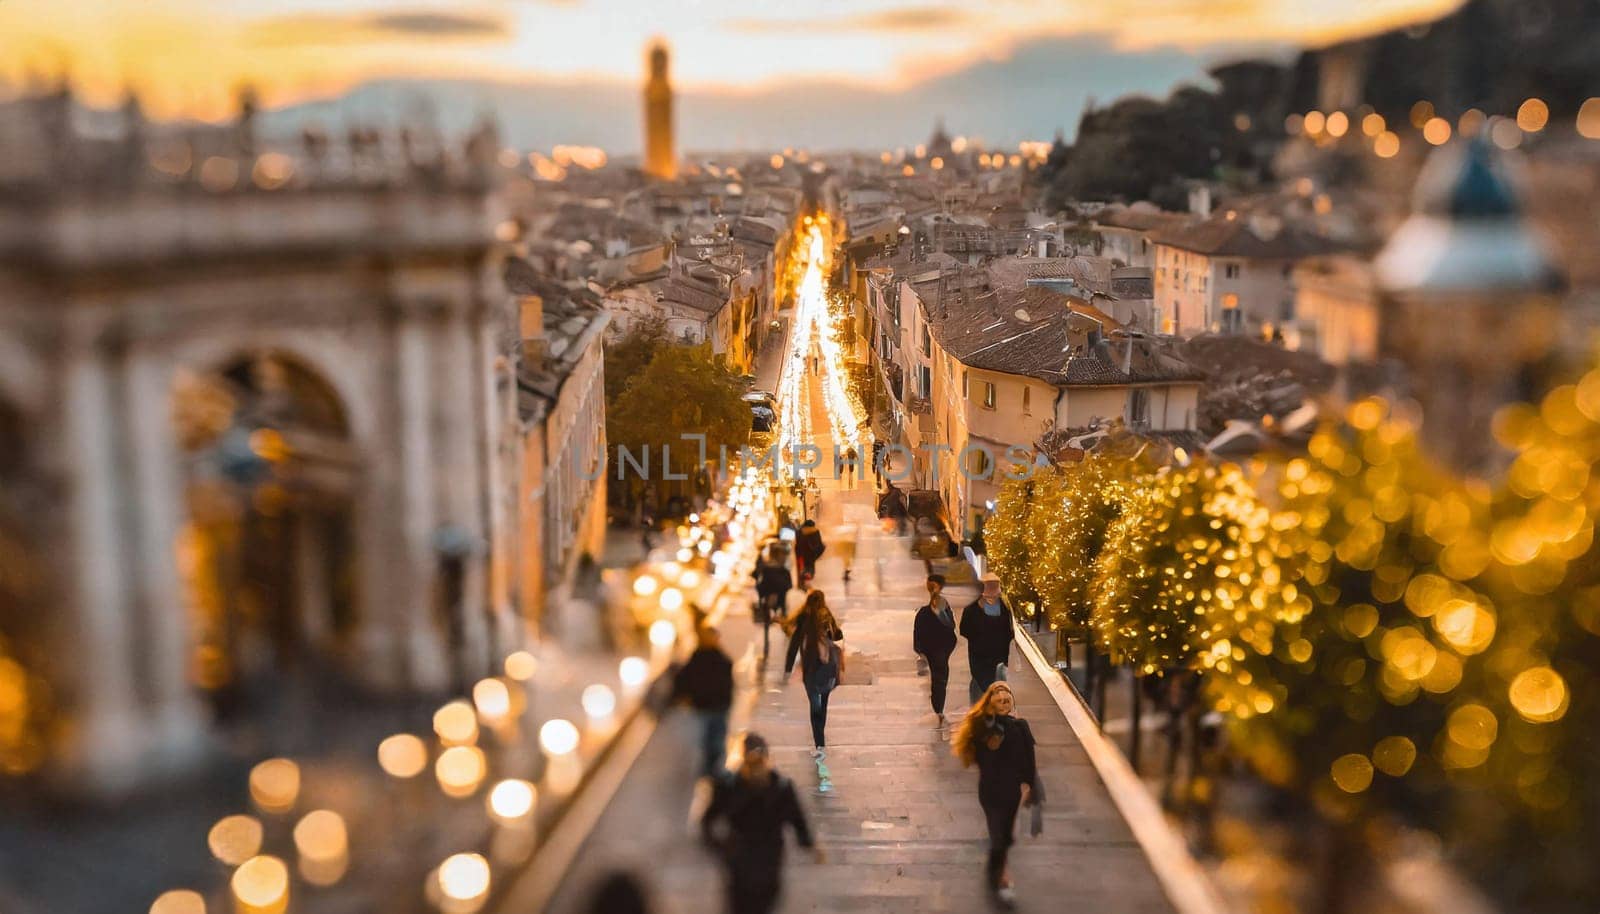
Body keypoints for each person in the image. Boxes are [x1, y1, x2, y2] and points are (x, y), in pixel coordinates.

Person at [702, 732, 822, 914]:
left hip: (743, 862)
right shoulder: (780, 787)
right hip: (762, 862)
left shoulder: (730, 786)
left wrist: (720, 848)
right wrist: (809, 845)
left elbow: (707, 823)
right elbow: (798, 822)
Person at [952, 681, 1039, 907]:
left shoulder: (1021, 727)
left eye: (1007, 699)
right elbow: (982, 756)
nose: (1004, 702)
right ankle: (1000, 878)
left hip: (1011, 791)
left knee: (1005, 835)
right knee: (999, 834)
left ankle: (996, 867)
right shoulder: (983, 727)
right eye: (999, 700)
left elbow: (1030, 761)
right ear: (990, 702)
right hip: (990, 790)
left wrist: (1031, 787)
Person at [783, 591, 844, 758]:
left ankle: (819, 743)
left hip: (810, 668)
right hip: (828, 667)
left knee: (814, 704)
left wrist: (788, 669)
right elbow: (839, 635)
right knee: (824, 702)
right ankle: (820, 736)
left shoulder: (804, 618)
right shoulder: (826, 617)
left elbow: (795, 644)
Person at [672, 626, 736, 779]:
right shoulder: (717, 659)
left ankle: (711, 769)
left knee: (712, 739)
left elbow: (682, 680)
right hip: (711, 706)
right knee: (713, 739)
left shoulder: (709, 659)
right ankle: (712, 769)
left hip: (711, 706)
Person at [912, 573, 958, 728]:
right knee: (940, 679)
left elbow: (950, 626)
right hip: (936, 650)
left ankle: (938, 707)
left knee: (939, 680)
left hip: (941, 649)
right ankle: (938, 708)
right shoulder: (926, 612)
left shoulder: (941, 608)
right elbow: (950, 626)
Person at [960, 573, 1013, 703]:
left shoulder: (1005, 609)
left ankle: (993, 713)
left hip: (996, 657)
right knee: (981, 685)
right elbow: (965, 630)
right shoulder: (972, 610)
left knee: (994, 686)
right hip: (982, 657)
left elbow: (1010, 631)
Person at [751, 547, 793, 662]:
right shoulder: (783, 570)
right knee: (783, 615)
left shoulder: (766, 569)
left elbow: (759, 584)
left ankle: (768, 640)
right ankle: (787, 636)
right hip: (779, 599)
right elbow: (789, 585)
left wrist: (764, 595)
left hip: (768, 598)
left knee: (767, 620)